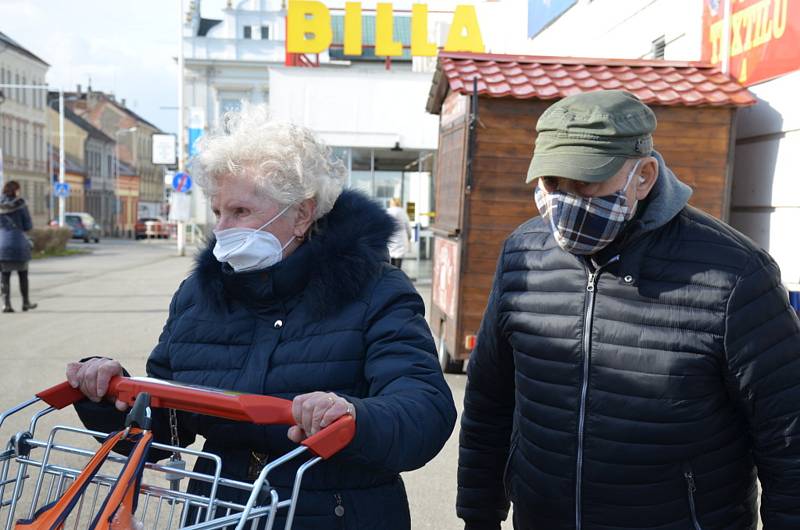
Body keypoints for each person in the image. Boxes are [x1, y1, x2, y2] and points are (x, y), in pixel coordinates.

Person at [66, 104, 457, 529]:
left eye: (241, 212)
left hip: (333, 515)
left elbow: (424, 410)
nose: (223, 229)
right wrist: (110, 392)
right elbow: (166, 427)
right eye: (218, 212)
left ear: (302, 214)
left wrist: (354, 416)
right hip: (219, 515)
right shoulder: (199, 296)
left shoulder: (376, 291)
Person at [457, 90, 800, 529]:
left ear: (643, 176)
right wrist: (478, 515)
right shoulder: (523, 254)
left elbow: (787, 436)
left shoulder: (734, 275)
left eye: (584, 183)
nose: (563, 202)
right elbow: (491, 400)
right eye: (551, 184)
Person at [0, 180, 37, 313]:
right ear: (15, 190)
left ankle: (6, 304)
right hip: (19, 244)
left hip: (2, 245)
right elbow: (28, 226)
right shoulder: (21, 205)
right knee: (23, 274)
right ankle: (25, 302)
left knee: (5, 275)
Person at [386, 197, 412, 269]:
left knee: (390, 261)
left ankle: (391, 276)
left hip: (391, 237)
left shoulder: (388, 211)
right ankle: (397, 275)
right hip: (401, 238)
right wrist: (410, 236)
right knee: (398, 262)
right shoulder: (402, 212)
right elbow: (408, 226)